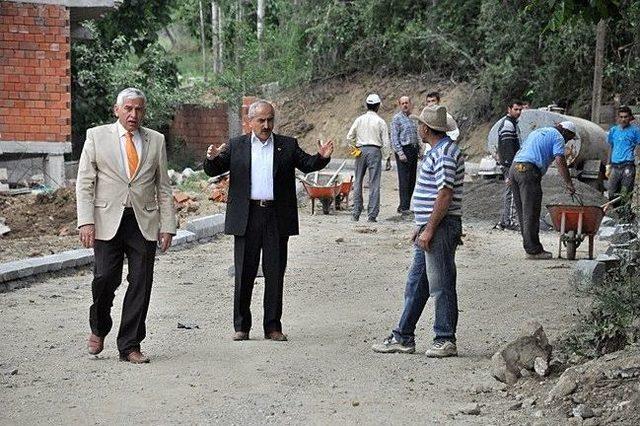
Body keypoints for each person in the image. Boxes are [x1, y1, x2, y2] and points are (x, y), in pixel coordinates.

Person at [203, 100, 333, 342]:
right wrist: (211, 158)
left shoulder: (287, 145)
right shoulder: (237, 146)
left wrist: (322, 157)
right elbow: (214, 169)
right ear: (249, 122)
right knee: (244, 272)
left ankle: (272, 327)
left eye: (270, 119)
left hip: (275, 216)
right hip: (247, 215)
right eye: (261, 120)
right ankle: (242, 326)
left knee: (275, 271)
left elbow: (307, 164)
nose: (266, 125)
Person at [76, 87, 176, 364]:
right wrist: (85, 220)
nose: (133, 115)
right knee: (105, 279)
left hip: (142, 220)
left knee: (141, 282)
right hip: (106, 220)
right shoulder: (96, 136)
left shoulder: (155, 140)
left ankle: (130, 345)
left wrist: (168, 225)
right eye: (128, 109)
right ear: (116, 109)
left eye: (139, 109)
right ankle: (99, 325)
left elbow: (163, 187)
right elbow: (85, 182)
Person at [372, 105, 464, 357]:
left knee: (441, 282)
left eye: (420, 125)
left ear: (426, 128)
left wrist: (429, 228)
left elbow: (444, 194)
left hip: (440, 227)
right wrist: (421, 225)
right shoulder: (437, 150)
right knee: (417, 283)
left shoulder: (443, 153)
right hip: (432, 226)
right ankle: (403, 335)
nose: (417, 128)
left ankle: (445, 337)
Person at [510, 122, 577, 259]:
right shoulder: (558, 136)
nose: (567, 142)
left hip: (515, 168)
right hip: (528, 170)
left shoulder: (538, 132)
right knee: (531, 211)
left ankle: (529, 246)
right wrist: (568, 183)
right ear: (565, 132)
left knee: (523, 211)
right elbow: (560, 160)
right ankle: (533, 250)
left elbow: (522, 150)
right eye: (569, 138)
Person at [346, 93, 390, 222]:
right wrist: (387, 157)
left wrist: (355, 149)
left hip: (360, 151)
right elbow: (386, 142)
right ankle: (372, 215)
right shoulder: (380, 121)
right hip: (375, 151)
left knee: (358, 181)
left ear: (367, 105)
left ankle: (356, 213)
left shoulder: (359, 120)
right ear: (377, 106)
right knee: (374, 183)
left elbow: (349, 137)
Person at [495, 100, 524, 230]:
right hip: (509, 164)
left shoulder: (512, 123)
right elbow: (507, 148)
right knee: (512, 192)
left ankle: (504, 220)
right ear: (509, 109)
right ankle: (509, 221)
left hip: (509, 163)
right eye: (516, 109)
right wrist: (511, 166)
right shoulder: (508, 125)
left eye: (520, 110)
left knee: (510, 191)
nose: (518, 112)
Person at [390, 96, 420, 215]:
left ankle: (405, 205)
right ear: (399, 105)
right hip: (404, 150)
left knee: (412, 179)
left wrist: (420, 149)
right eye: (402, 103)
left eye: (406, 103)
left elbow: (417, 134)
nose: (405, 105)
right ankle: (403, 207)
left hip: (413, 149)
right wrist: (400, 152)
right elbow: (394, 137)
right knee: (404, 179)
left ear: (410, 104)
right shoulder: (397, 119)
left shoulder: (413, 118)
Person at [606, 106, 640, 208]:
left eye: (626, 117)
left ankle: (625, 217)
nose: (623, 119)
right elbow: (611, 146)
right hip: (615, 167)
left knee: (625, 193)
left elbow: (638, 146)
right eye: (621, 117)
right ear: (618, 118)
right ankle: (617, 214)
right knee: (611, 193)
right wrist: (608, 164)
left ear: (630, 117)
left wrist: (638, 161)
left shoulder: (635, 131)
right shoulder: (613, 130)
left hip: (628, 166)